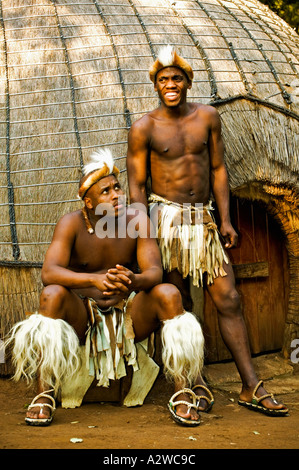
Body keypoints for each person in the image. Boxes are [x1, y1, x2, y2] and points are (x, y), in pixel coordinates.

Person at [126, 45, 288, 417]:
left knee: (228, 297)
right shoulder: (144, 127)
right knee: (178, 303)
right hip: (164, 221)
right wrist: (144, 232)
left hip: (203, 220)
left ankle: (250, 384)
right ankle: (190, 382)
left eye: (177, 78)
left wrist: (226, 219)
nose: (171, 84)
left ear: (187, 82)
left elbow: (218, 169)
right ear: (156, 85)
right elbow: (136, 184)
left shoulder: (208, 117)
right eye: (164, 79)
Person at [5, 148, 208, 428]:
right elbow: (49, 272)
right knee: (51, 294)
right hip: (83, 315)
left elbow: (154, 272)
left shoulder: (137, 220)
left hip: (129, 312)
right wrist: (94, 281)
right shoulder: (70, 224)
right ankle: (44, 393)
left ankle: (182, 389)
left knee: (169, 294)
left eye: (117, 187)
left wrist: (132, 280)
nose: (116, 195)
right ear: (88, 202)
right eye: (105, 192)